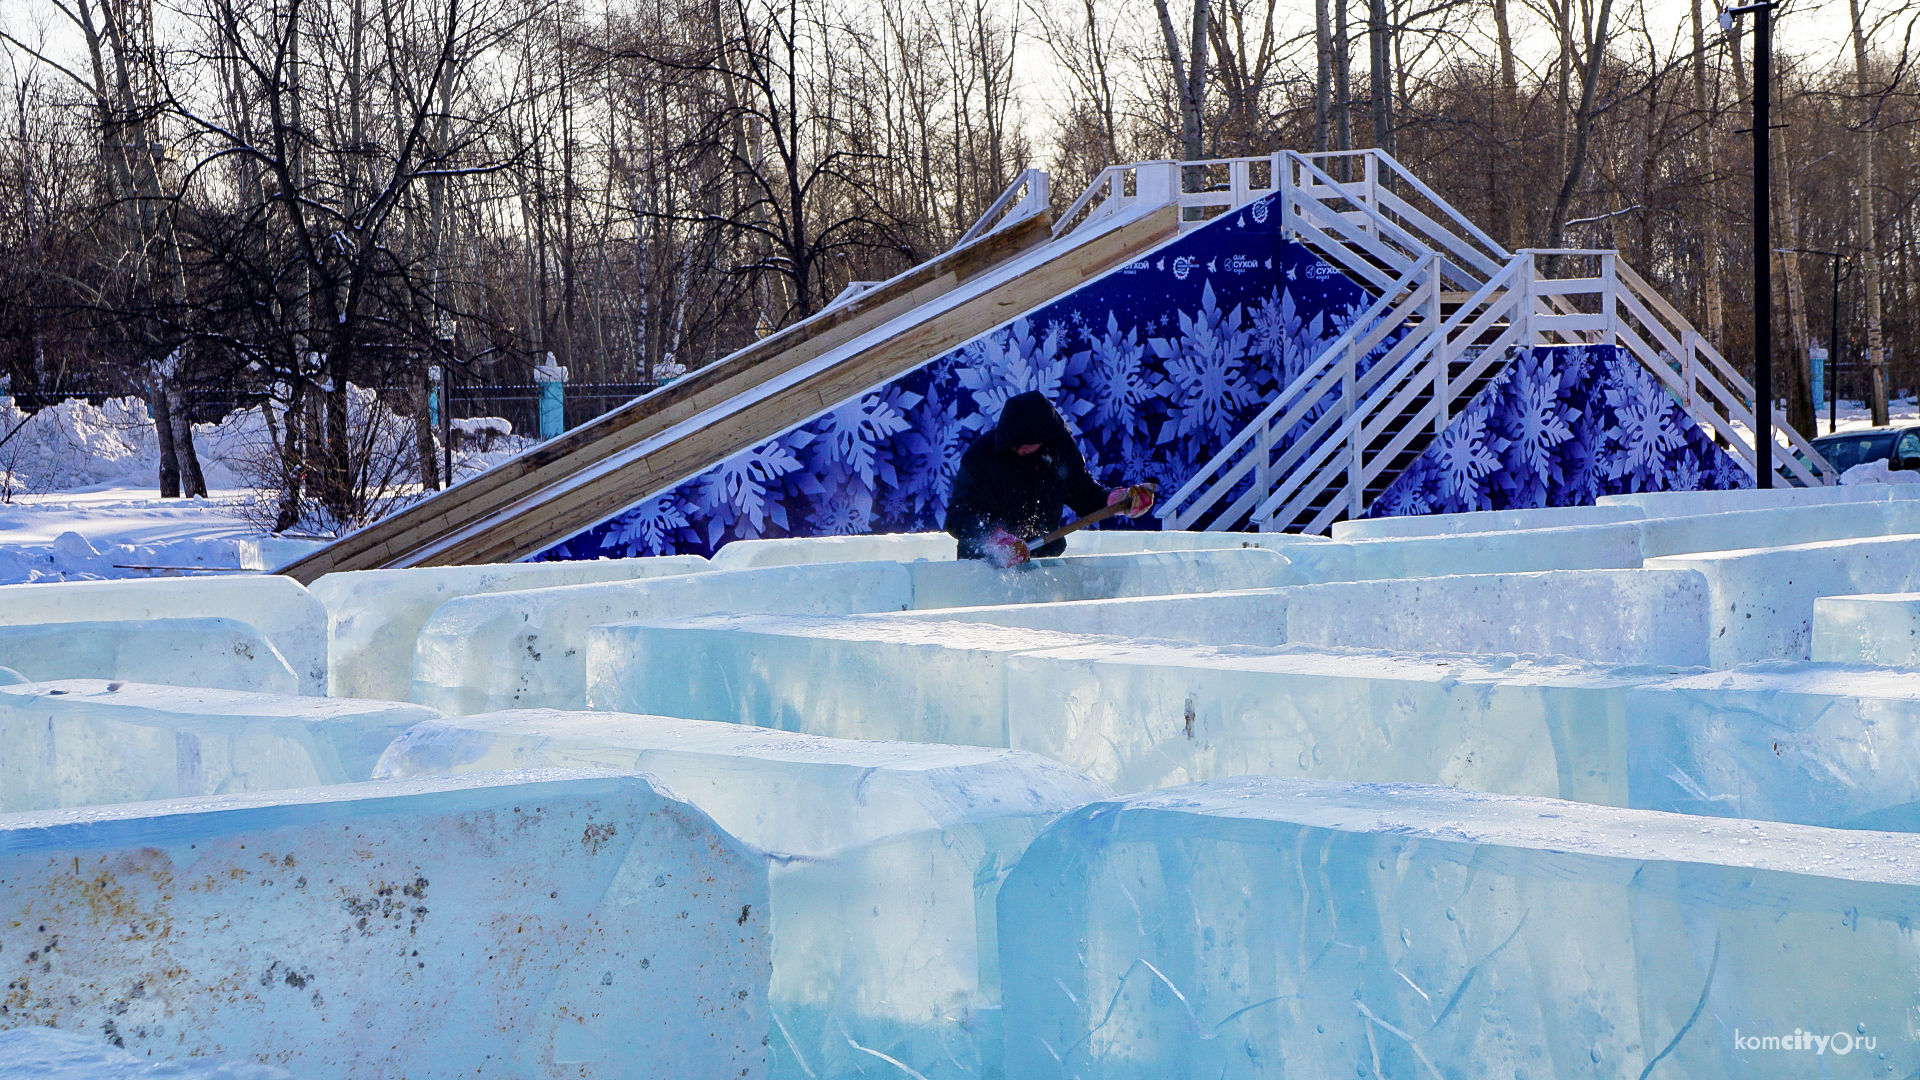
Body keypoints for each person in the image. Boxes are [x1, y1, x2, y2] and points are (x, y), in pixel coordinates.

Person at [944, 390, 1153, 565]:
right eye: (1013, 442)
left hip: (1042, 562)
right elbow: (958, 517)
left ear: (1045, 437)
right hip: (982, 569)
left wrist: (1119, 500)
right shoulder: (982, 455)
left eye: (1026, 441)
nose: (1018, 447)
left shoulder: (1060, 450)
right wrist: (996, 539)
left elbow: (1085, 495)